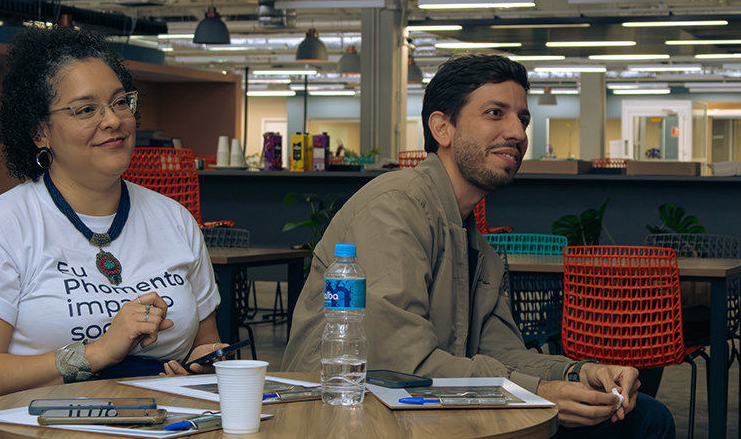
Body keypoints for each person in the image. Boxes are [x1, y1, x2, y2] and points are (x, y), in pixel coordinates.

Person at [282, 53, 675, 437]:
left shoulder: (479, 248)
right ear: (443, 129)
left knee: (646, 418)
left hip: (431, 406)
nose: (517, 133)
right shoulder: (394, 208)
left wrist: (578, 373)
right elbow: (397, 363)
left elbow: (502, 354)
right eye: (495, 113)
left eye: (523, 119)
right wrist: (535, 392)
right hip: (355, 416)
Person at [0, 26, 223, 416]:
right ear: (41, 131)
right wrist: (98, 352)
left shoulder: (173, 218)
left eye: (121, 103)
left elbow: (205, 346)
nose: (113, 120)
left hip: (165, 422)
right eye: (86, 109)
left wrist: (202, 368)